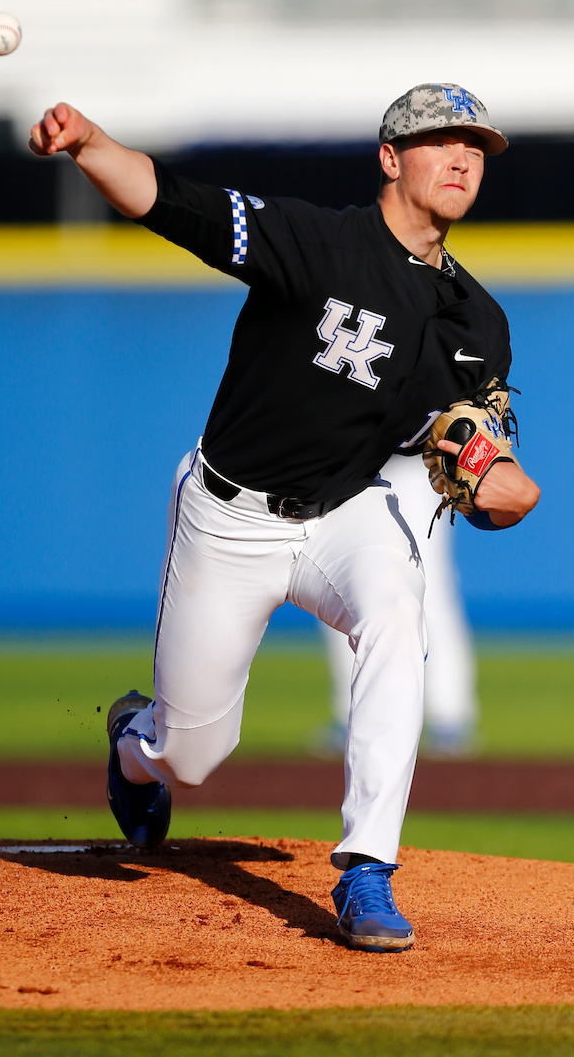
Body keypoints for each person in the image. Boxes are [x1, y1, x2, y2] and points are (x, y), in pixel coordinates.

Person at [29, 83, 540, 954]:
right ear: (390, 157)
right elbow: (170, 202)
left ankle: (366, 871)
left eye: (475, 147)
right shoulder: (316, 241)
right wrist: (89, 144)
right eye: (441, 141)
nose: (461, 158)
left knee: (394, 619)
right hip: (231, 516)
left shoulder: (478, 322)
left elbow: (475, 466)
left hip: (350, 512)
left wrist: (508, 496)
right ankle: (132, 744)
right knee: (191, 756)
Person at [319, 459, 477, 758]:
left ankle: (450, 716)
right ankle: (350, 714)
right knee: (344, 589)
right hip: (347, 468)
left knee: (428, 589)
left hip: (413, 469)